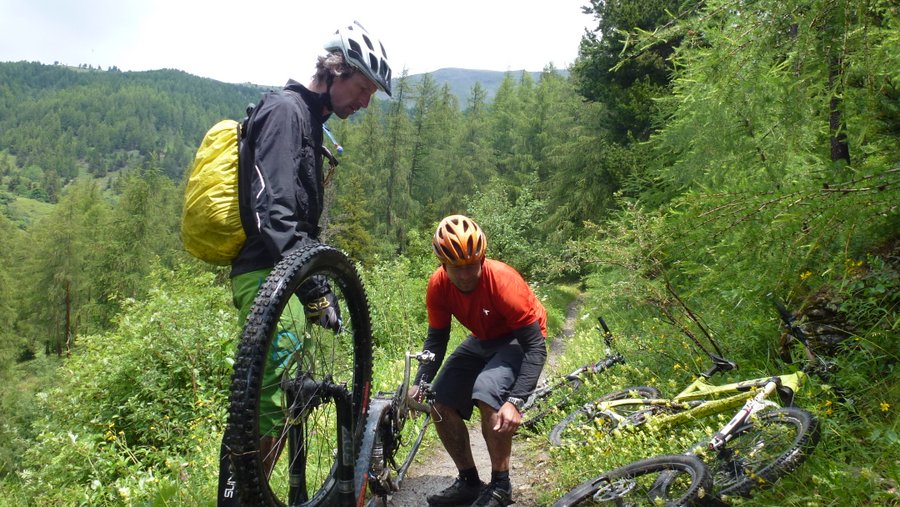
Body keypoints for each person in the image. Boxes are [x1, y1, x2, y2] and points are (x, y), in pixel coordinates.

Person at [217, 21, 392, 506]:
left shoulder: (310, 121)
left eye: (370, 95)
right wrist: (314, 288)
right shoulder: (285, 110)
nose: (364, 103)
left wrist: (313, 281)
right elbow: (273, 213)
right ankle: (241, 496)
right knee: (267, 380)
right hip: (264, 268)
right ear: (335, 72)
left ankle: (254, 488)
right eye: (361, 89)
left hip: (288, 269)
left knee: (278, 379)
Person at [411, 215, 548, 507]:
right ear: (442, 264)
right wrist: (419, 382)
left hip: (518, 337)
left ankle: (501, 486)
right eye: (455, 268)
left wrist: (516, 401)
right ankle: (469, 483)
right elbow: (436, 339)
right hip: (483, 338)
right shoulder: (438, 285)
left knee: (488, 390)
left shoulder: (503, 280)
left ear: (482, 258)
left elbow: (535, 347)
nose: (464, 275)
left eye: (471, 265)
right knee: (438, 399)